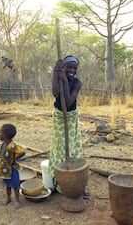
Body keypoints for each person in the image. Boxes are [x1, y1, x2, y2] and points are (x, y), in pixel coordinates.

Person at [48, 55, 85, 193]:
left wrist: (64, 81)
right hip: (59, 116)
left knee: (70, 147)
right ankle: (58, 180)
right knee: (59, 147)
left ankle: (73, 177)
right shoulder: (58, 77)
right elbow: (56, 93)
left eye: (74, 68)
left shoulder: (77, 83)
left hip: (70, 117)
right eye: (69, 67)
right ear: (63, 68)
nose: (72, 70)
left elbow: (69, 102)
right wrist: (55, 73)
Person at [0, 123, 25, 209]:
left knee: (15, 185)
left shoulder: (12, 145)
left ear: (6, 135)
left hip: (12, 169)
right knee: (8, 184)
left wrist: (14, 160)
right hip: (5, 169)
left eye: (1, 133)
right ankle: (8, 198)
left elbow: (22, 152)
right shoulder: (4, 144)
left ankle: (17, 201)